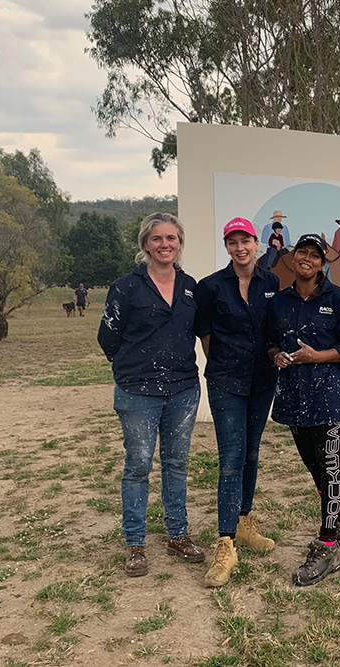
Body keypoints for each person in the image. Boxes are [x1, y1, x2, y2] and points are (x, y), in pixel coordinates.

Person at [97, 212, 205, 577]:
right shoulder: (125, 287)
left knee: (176, 464)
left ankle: (177, 535)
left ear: (180, 243)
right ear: (145, 244)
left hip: (183, 389)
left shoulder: (191, 287)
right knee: (139, 466)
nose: (165, 245)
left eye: (171, 238)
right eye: (157, 239)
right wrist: (132, 366)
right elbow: (108, 337)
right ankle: (136, 543)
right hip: (138, 391)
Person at [266, 233, 340, 586]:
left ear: (323, 263)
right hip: (294, 398)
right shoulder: (279, 303)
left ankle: (327, 546)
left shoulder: (337, 299)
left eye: (314, 255)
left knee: (331, 468)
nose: (306, 259)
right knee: (315, 469)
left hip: (330, 399)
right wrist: (275, 354)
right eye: (301, 253)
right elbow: (269, 342)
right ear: (293, 258)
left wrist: (316, 356)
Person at [194, 218, 280, 588]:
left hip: (263, 380)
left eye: (245, 240)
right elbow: (205, 334)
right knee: (230, 459)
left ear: (256, 243)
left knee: (251, 453)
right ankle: (225, 541)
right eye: (233, 242)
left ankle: (245, 522)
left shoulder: (272, 283)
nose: (240, 247)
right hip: (226, 381)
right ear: (227, 247)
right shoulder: (210, 287)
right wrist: (222, 366)